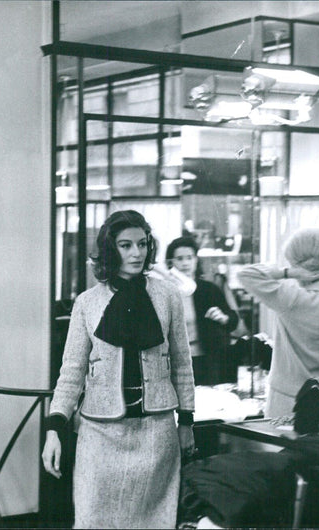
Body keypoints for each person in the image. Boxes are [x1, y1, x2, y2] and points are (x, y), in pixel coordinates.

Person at [41, 210, 195, 529]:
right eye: (125, 245)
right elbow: (71, 371)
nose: (136, 253)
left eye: (142, 244)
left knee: (154, 522)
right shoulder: (87, 303)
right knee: (93, 519)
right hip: (100, 434)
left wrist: (187, 421)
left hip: (156, 433)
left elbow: (182, 363)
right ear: (111, 249)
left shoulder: (168, 297)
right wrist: (54, 427)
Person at [237, 228, 319, 424]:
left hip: (288, 401)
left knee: (283, 453)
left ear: (300, 266)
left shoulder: (294, 299)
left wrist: (287, 272)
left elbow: (246, 274)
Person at [163, 236, 238, 385]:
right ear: (171, 263)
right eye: (180, 258)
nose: (185, 263)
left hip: (206, 359)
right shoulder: (164, 291)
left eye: (189, 258)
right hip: (173, 361)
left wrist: (224, 318)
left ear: (196, 260)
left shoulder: (208, 289)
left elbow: (233, 321)